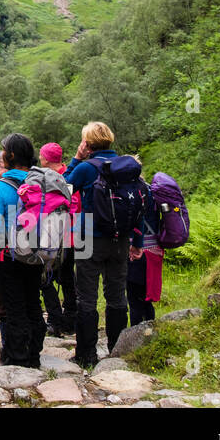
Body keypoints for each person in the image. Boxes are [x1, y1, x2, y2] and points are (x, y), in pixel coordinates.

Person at [62, 121, 146, 367]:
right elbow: (140, 203)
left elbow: (64, 188)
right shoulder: (128, 166)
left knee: (87, 297)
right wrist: (137, 241)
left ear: (86, 144)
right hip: (120, 239)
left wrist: (76, 159)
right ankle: (116, 349)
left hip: (89, 238)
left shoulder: (86, 168)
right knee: (117, 295)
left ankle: (86, 355)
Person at [0, 133, 48, 368]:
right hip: (38, 254)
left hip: (8, 256)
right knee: (33, 302)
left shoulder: (2, 187)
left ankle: (17, 358)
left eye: (3, 150)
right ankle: (34, 355)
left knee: (14, 306)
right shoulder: (42, 183)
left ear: (10, 156)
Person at [38, 142, 78, 337]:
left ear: (45, 159)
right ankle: (70, 320)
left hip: (54, 237)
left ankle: (56, 319)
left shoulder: (49, 178)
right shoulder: (71, 177)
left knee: (46, 279)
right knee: (69, 279)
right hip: (72, 236)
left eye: (41, 156)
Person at [128, 172, 164, 326]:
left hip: (137, 250)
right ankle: (150, 332)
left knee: (134, 299)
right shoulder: (151, 191)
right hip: (155, 250)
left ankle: (136, 338)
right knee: (146, 298)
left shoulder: (130, 192)